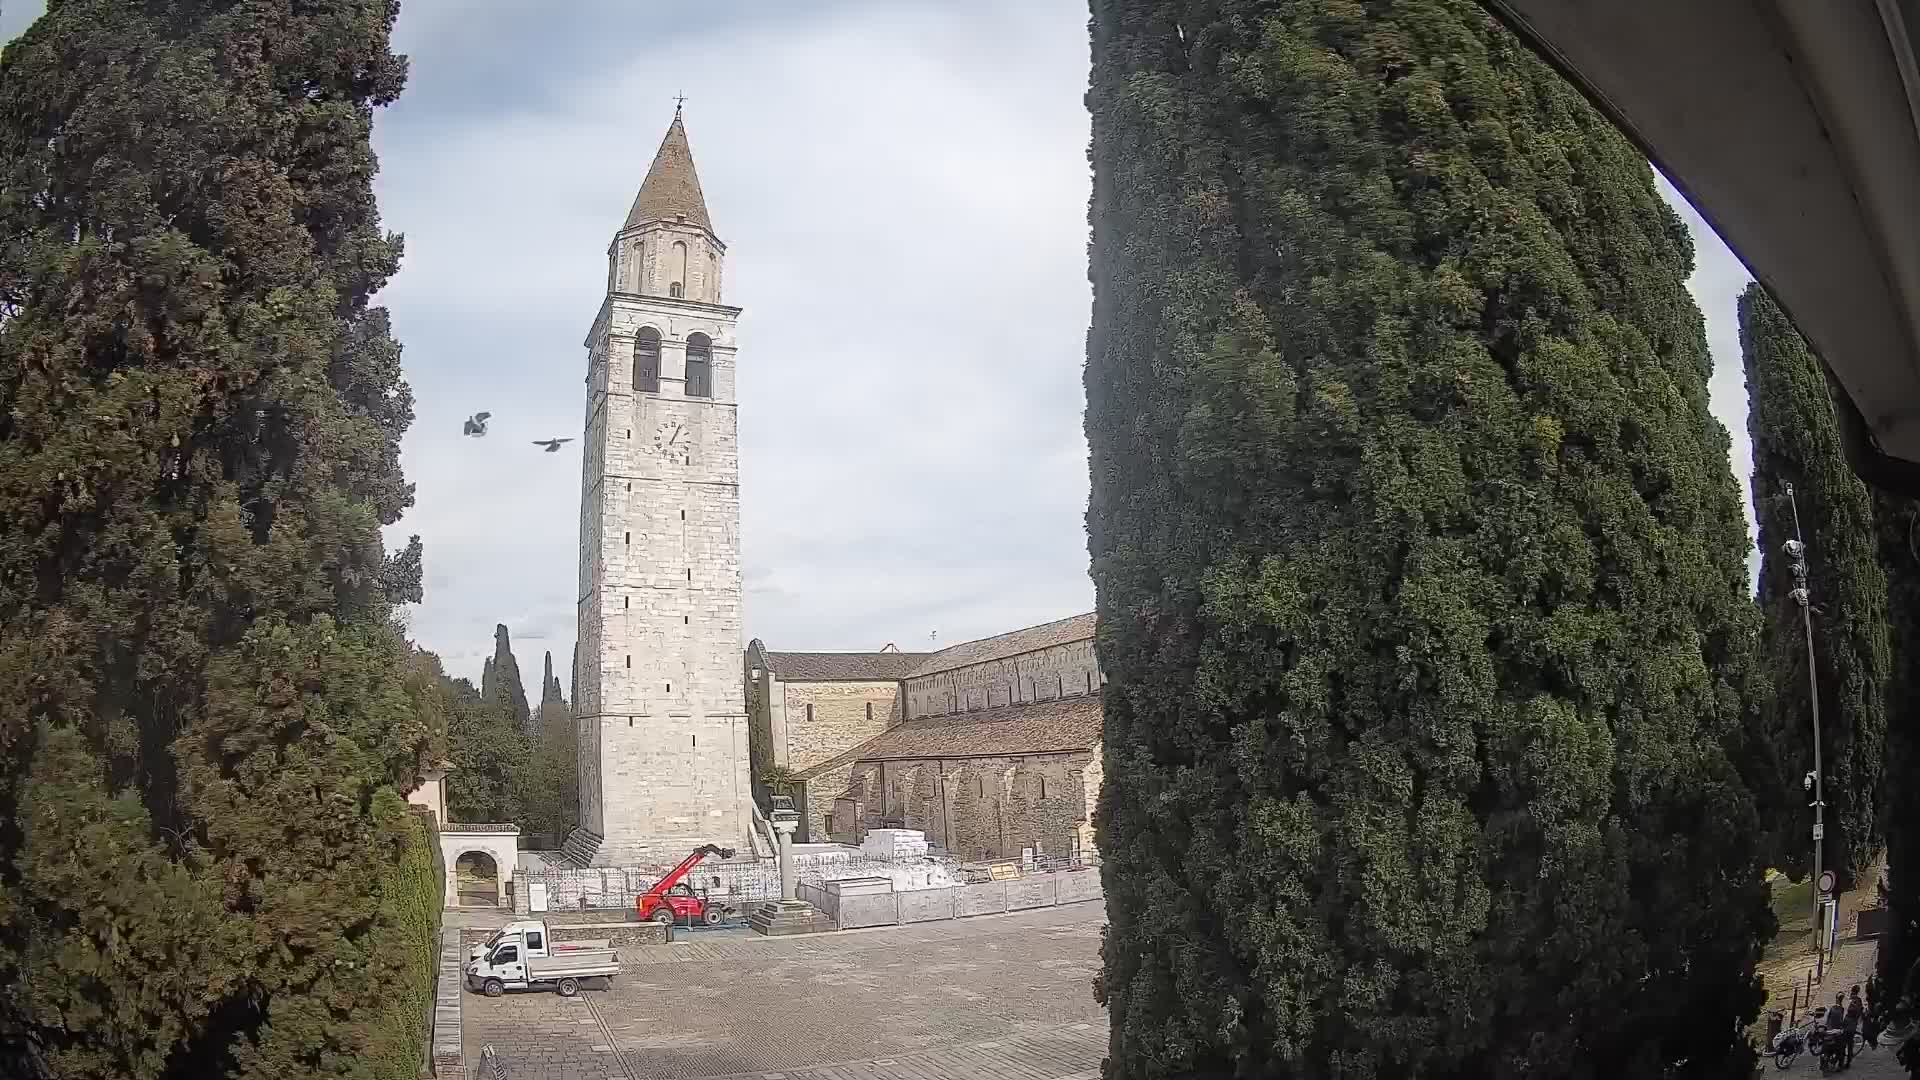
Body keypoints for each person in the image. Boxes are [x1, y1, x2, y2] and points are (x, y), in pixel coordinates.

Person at [1844, 987, 1865, 1066]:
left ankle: (1845, 1061)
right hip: (1852, 1023)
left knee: (1845, 1042)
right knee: (1849, 1043)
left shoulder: (1853, 1001)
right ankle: (1848, 1060)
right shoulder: (1858, 1000)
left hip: (1849, 1023)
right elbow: (1860, 1011)